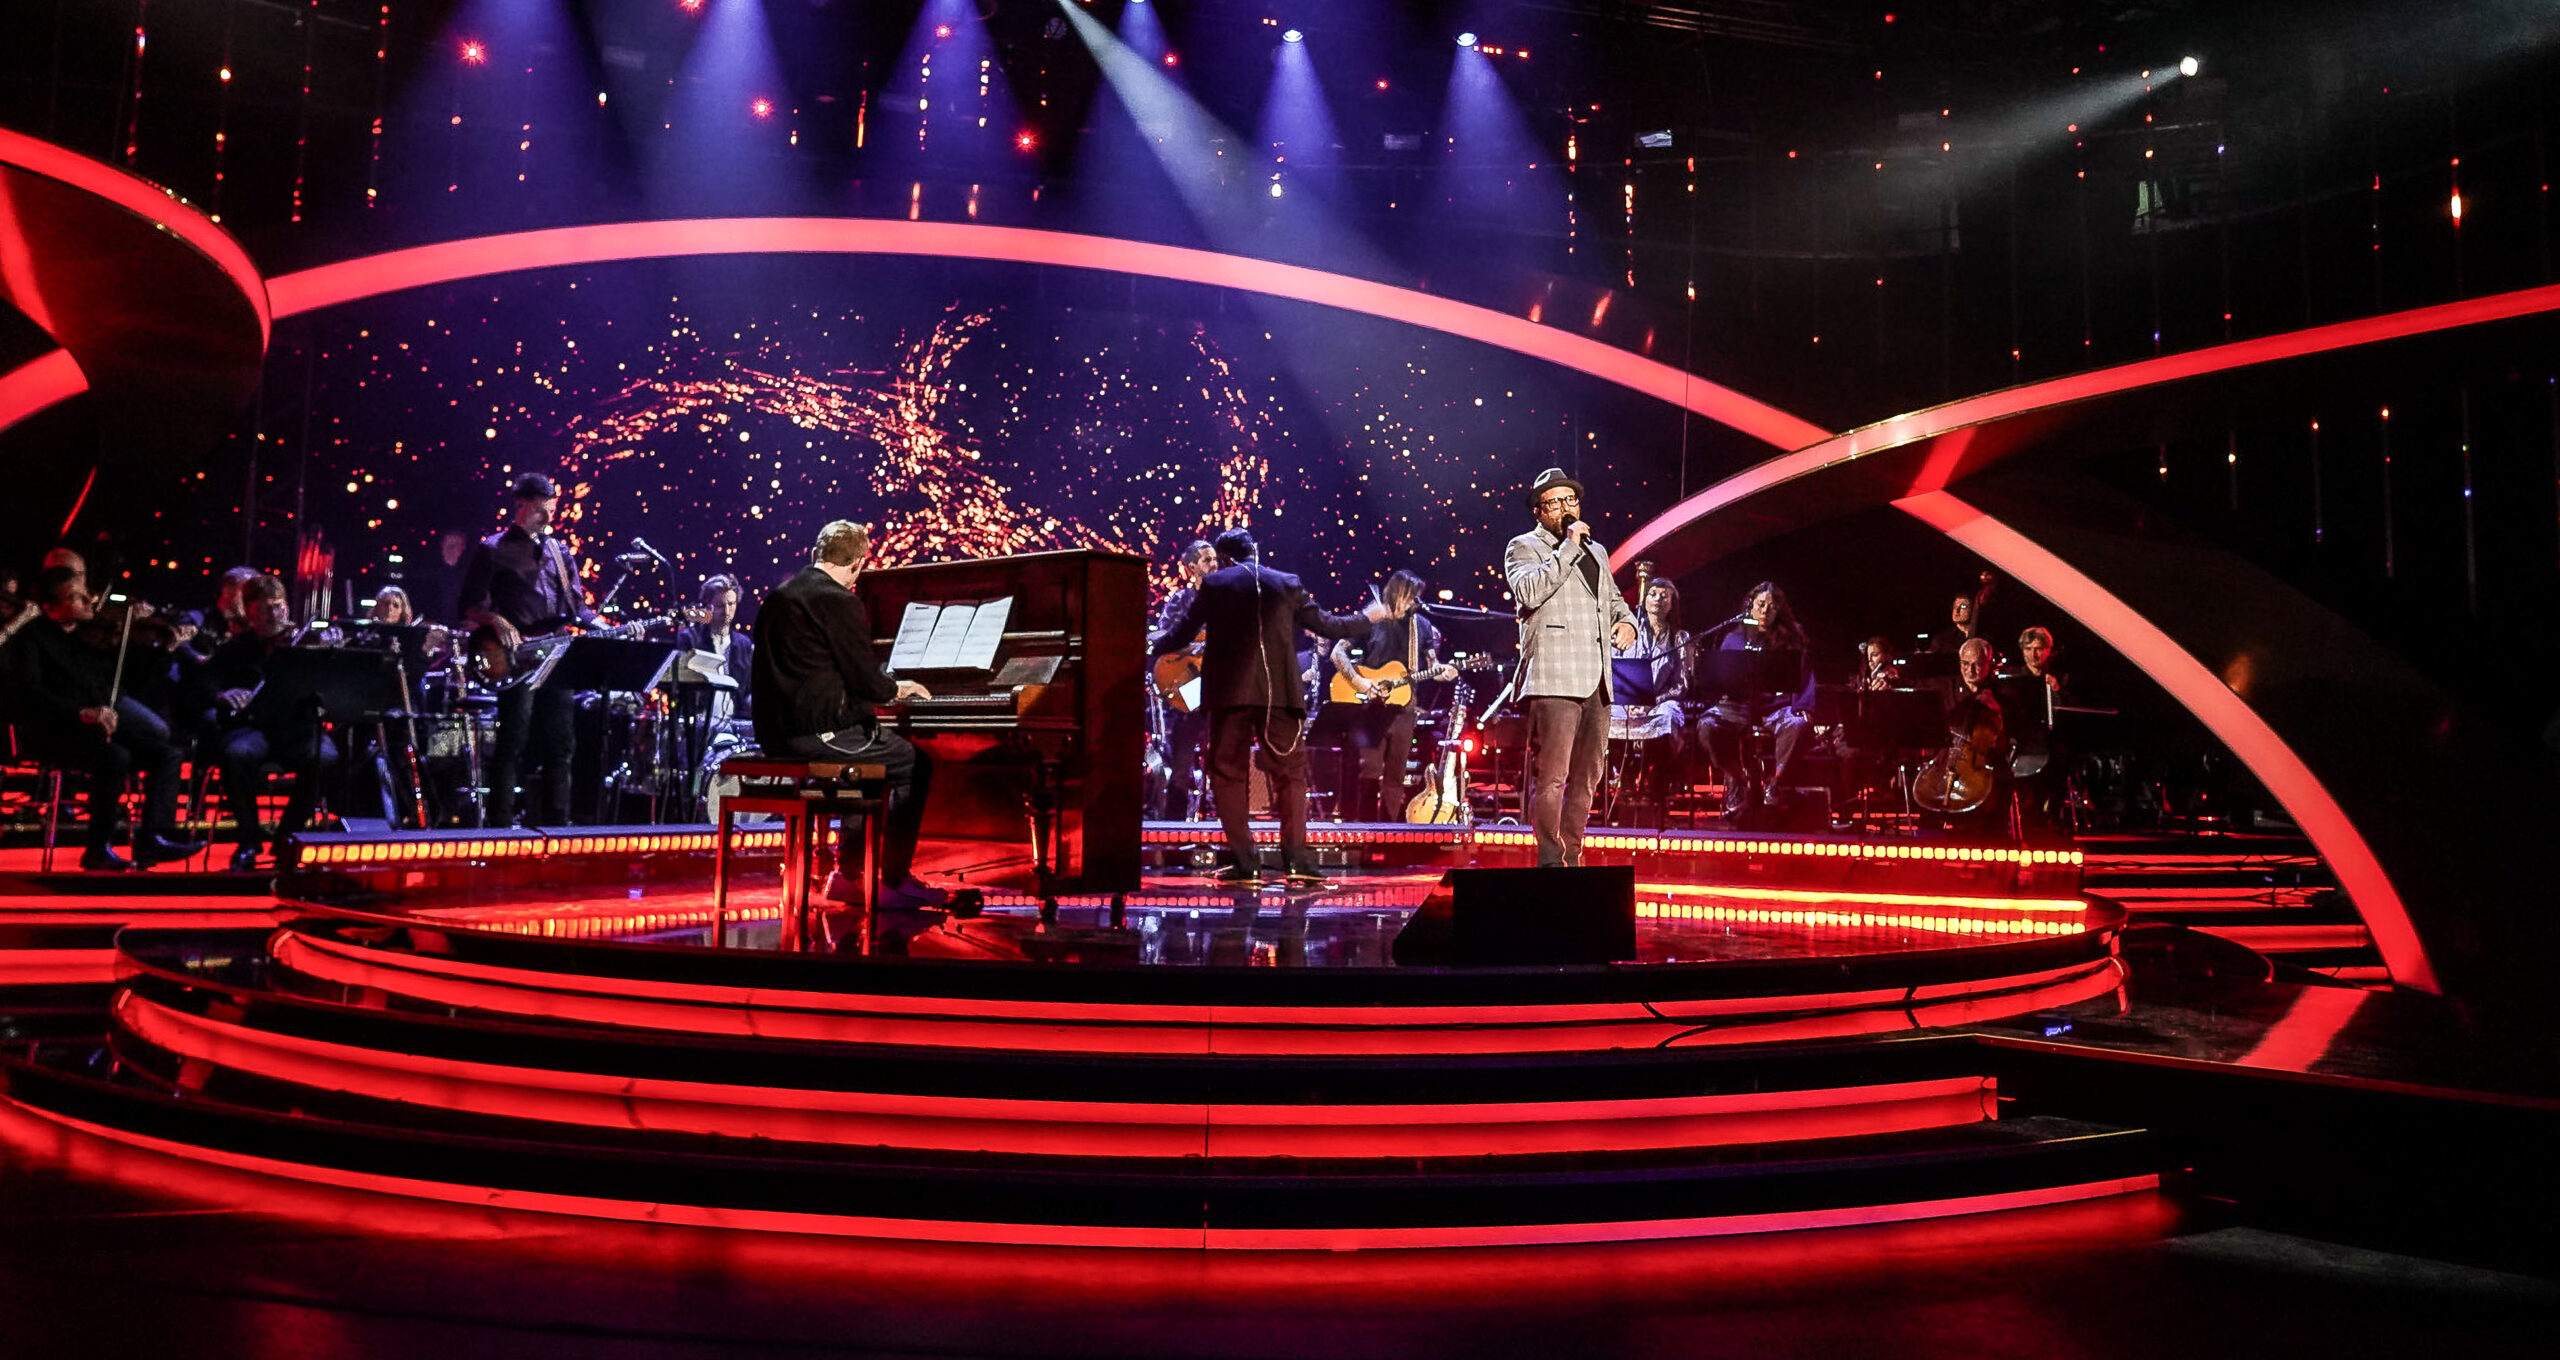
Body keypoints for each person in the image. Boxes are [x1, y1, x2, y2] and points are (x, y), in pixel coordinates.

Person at [1150, 527, 1388, 886]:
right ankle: (1298, 862)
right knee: (1290, 775)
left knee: (1228, 774)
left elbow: (1180, 634)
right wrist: (1367, 617)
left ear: (1224, 558)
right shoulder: (1287, 583)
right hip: (1280, 696)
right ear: (1254, 551)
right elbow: (1329, 625)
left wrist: (1146, 645)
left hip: (1230, 694)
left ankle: (1246, 865)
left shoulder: (1216, 584)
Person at [749, 520, 946, 910]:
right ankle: (893, 881)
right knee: (913, 763)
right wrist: (897, 688)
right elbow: (864, 678)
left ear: (815, 554)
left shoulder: (779, 597)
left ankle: (848, 875)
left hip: (775, 734)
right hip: (817, 732)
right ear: (858, 563)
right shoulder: (838, 600)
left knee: (872, 764)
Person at [0, 566, 202, 871]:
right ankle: (97, 849)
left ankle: (154, 837)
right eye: (75, 597)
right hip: (52, 732)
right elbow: (29, 694)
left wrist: (164, 652)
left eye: (85, 593)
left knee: (167, 755)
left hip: (91, 732)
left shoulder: (84, 639)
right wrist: (82, 712)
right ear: (51, 607)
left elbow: (128, 683)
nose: (88, 600)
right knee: (115, 756)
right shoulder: (32, 638)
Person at [1504, 467, 1638, 868]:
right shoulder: (1523, 546)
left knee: (1588, 777)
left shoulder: (1597, 551)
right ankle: (1550, 860)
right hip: (1555, 676)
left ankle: (1573, 858)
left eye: (1571, 500)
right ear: (1538, 511)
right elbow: (1529, 591)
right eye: (1554, 502)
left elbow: (1614, 601)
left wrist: (1627, 623)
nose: (1565, 508)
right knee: (1553, 777)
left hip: (1598, 679)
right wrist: (1567, 547)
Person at [457, 473, 600, 827]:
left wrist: (605, 627)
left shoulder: (560, 552)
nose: (548, 517)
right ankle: (500, 826)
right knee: (512, 741)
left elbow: (578, 609)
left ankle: (557, 826)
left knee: (561, 744)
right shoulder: (492, 548)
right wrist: (496, 619)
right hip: (515, 657)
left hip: (555, 655)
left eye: (552, 509)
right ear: (520, 506)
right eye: (540, 510)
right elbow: (468, 605)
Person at [195, 573, 343, 872]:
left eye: (279, 607)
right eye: (265, 608)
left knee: (325, 757)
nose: (275, 615)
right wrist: (223, 695)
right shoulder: (236, 647)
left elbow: (331, 687)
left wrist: (331, 653)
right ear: (249, 610)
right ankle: (249, 841)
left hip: (297, 730)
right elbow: (204, 683)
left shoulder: (302, 645)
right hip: (253, 728)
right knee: (236, 754)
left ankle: (287, 838)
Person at [1320, 569, 1457, 823]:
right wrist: (1359, 681)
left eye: (1417, 596)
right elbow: (1337, 653)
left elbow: (1433, 666)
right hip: (1373, 708)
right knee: (1369, 771)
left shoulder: (1421, 626)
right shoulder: (1373, 619)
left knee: (1396, 776)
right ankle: (1365, 829)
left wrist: (1445, 672)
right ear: (1397, 592)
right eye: (1411, 595)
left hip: (1405, 708)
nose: (1415, 601)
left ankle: (1390, 831)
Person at [1696, 582, 1816, 817]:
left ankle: (1775, 783)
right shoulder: (1733, 639)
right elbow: (1720, 680)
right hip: (1737, 707)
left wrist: (1803, 706)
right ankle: (1736, 778)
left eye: (1772, 607)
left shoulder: (1792, 638)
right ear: (1750, 606)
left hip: (1775, 708)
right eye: (1760, 605)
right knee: (1706, 726)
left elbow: (1805, 675)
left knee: (1798, 725)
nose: (1765, 611)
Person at [1610, 573, 1694, 814]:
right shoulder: (1627, 632)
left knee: (1668, 716)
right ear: (1644, 600)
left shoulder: (1680, 638)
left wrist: (1652, 701)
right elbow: (1614, 670)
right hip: (1627, 700)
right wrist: (1628, 701)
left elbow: (1682, 684)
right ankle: (1623, 778)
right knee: (1606, 715)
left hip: (1660, 701)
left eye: (1664, 596)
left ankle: (1654, 782)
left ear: (1672, 603)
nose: (1658, 599)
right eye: (1653, 594)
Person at [1149, 539, 1218, 821]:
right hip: (1190, 683)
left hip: (1218, 683)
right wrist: (1196, 647)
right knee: (1183, 758)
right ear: (1192, 567)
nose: (1214, 564)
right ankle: (1174, 824)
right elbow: (1163, 638)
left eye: (1215, 559)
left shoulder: (1226, 600)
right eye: (1206, 560)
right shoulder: (1182, 600)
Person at [676, 573, 754, 724]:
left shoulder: (743, 644)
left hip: (735, 723)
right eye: (720, 606)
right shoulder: (690, 639)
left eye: (731, 604)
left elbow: (748, 692)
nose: (727, 612)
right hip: (698, 723)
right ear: (707, 607)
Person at [1929, 570, 1999, 654]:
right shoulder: (1941, 640)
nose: (1957, 610)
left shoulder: (1985, 638)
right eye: (1955, 606)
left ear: (1973, 609)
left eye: (1963, 606)